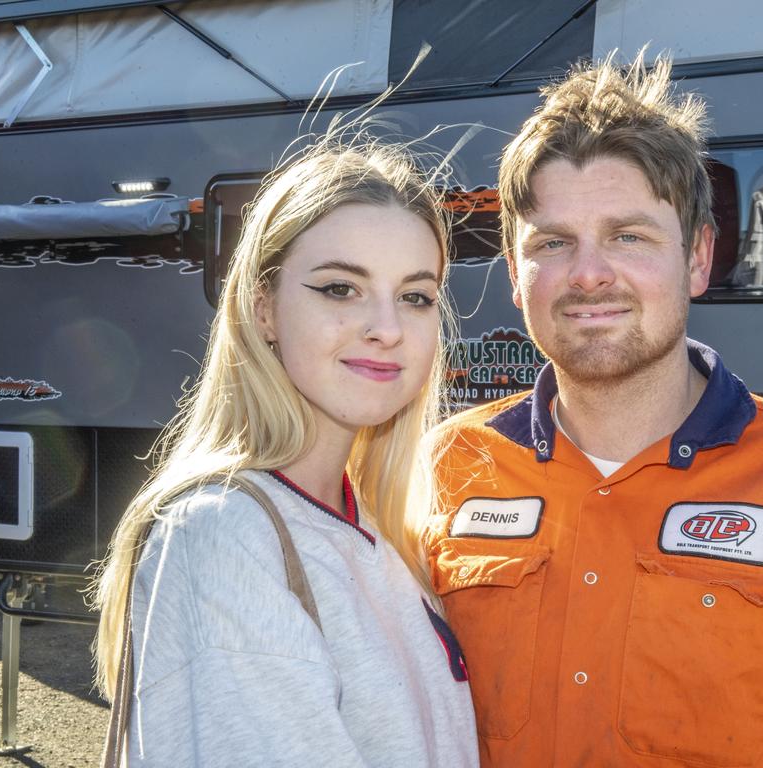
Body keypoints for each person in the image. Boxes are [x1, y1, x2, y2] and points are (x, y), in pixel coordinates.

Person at [425, 54, 763, 767]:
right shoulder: (441, 470)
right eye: (553, 242)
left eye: (629, 236)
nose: (590, 273)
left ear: (697, 257)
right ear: (515, 272)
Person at [92, 135, 478, 766]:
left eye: (415, 296)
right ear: (263, 307)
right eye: (339, 288)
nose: (386, 327)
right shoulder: (223, 532)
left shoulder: (382, 533)